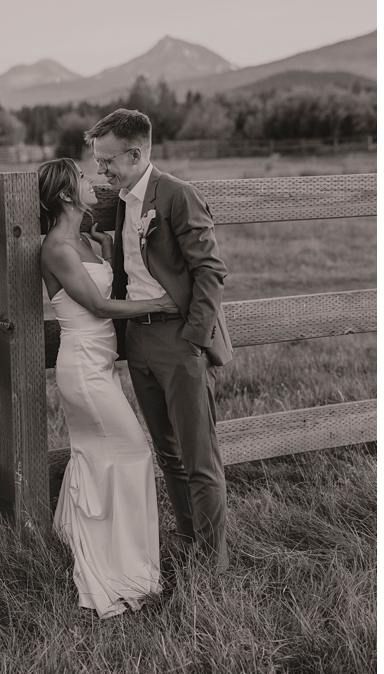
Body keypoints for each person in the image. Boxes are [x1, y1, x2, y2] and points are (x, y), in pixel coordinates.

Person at [87, 109, 234, 571]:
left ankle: (214, 564)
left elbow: (210, 270)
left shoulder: (176, 195)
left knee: (199, 458)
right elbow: (136, 263)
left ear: (135, 153)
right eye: (97, 161)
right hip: (139, 343)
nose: (101, 171)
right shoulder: (124, 201)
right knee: (167, 453)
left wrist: (193, 339)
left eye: (107, 161)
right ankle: (190, 540)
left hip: (179, 343)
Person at [36, 157, 176, 617]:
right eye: (82, 177)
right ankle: (122, 568)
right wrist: (159, 304)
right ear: (64, 195)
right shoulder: (57, 247)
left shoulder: (83, 241)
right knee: (134, 451)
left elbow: (105, 280)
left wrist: (109, 251)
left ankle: (89, 542)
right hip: (82, 368)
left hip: (101, 365)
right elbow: (96, 305)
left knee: (100, 457)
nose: (93, 181)